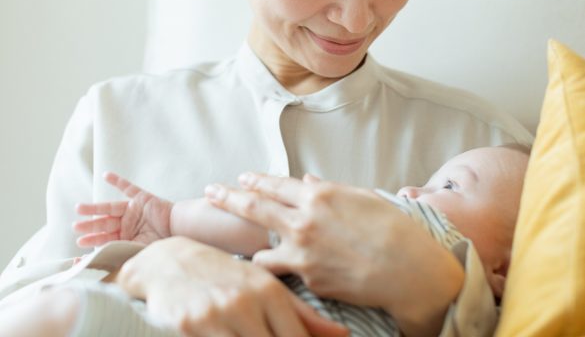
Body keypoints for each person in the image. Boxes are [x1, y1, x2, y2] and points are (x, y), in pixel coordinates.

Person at [0, 0, 534, 336]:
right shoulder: (116, 115)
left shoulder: (491, 152)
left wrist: (439, 297)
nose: (354, 17)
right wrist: (146, 269)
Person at [65, 145, 528, 336]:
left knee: (63, 315)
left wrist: (172, 218)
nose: (412, 191)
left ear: (503, 269)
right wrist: (163, 259)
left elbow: (262, 219)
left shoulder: (418, 225)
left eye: (450, 187)